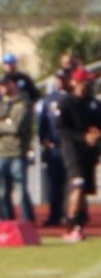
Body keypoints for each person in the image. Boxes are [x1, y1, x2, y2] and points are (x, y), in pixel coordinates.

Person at [56, 67, 101, 243]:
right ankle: (70, 225)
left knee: (84, 191)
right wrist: (83, 137)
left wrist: (96, 134)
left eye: (89, 81)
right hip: (72, 151)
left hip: (89, 153)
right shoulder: (66, 103)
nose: (87, 84)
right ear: (75, 82)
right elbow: (61, 128)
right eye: (84, 81)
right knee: (77, 185)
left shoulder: (93, 103)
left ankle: (79, 224)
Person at [0, 74, 35, 222]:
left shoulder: (22, 104)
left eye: (5, 84)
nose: (2, 88)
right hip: (0, 152)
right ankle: (7, 221)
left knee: (20, 191)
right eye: (0, 85)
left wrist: (0, 125)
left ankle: (27, 221)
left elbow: (15, 127)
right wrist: (4, 124)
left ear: (12, 85)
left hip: (17, 152)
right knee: (2, 191)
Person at [37, 69, 70, 227]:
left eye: (64, 78)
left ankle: (73, 216)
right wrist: (43, 140)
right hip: (54, 147)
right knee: (54, 185)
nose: (61, 81)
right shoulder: (50, 99)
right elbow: (43, 121)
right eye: (59, 78)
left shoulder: (73, 97)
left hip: (70, 147)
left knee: (72, 183)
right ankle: (55, 215)